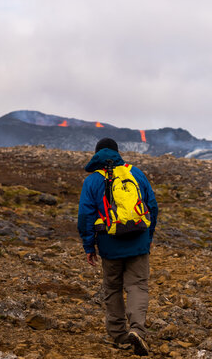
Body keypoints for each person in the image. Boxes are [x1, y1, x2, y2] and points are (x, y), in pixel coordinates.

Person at [78, 137, 158, 356]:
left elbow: (85, 215)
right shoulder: (136, 173)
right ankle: (137, 329)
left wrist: (88, 246)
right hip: (138, 240)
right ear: (117, 152)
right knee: (138, 286)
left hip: (109, 242)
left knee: (112, 288)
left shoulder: (93, 180)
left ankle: (118, 334)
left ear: (97, 154)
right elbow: (152, 206)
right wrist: (147, 237)